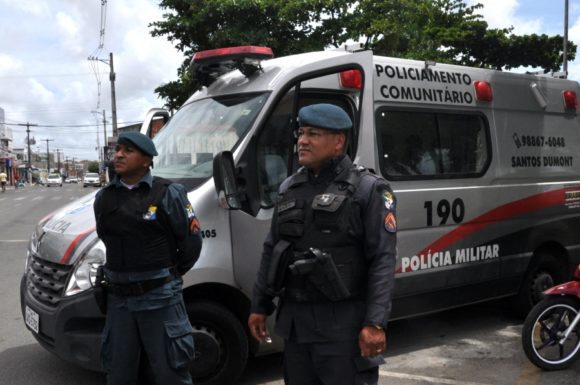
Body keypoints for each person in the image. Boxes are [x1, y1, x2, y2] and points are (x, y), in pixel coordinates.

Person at [248, 103, 397, 385]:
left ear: (338, 141)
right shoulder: (290, 188)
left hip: (343, 328)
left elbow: (383, 260)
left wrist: (375, 323)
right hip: (296, 326)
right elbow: (272, 249)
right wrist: (259, 305)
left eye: (313, 134)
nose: (302, 141)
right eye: (301, 133)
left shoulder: (368, 189)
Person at [93, 131, 203, 385]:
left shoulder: (168, 193)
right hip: (119, 300)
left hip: (160, 298)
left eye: (127, 151)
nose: (118, 155)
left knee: (171, 372)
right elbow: (105, 236)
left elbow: (191, 243)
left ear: (146, 161)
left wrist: (168, 276)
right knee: (118, 373)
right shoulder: (104, 198)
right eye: (118, 149)